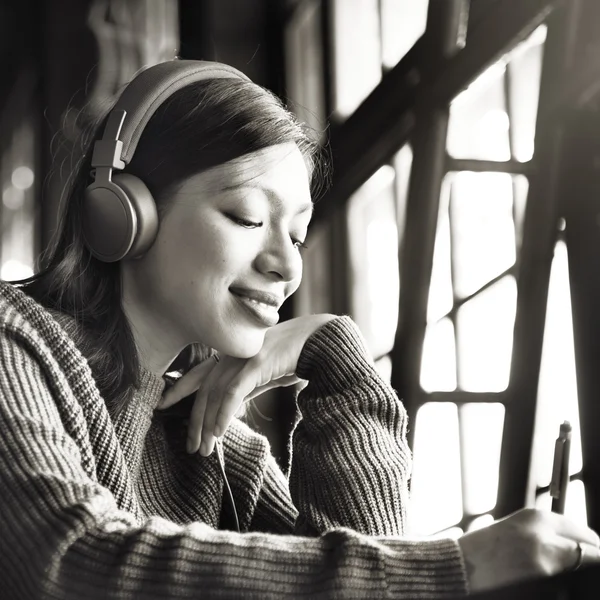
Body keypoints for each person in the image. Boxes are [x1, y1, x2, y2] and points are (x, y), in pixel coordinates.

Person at [0, 58, 597, 599]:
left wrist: (333, 357)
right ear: (125, 214)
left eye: (296, 234)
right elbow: (71, 563)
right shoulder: (15, 345)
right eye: (247, 217)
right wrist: (456, 565)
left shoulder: (224, 455)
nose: (285, 267)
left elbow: (368, 576)